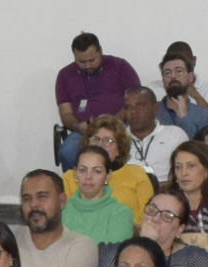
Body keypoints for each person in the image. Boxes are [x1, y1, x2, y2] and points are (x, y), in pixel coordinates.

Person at [56, 31, 144, 166]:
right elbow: (66, 113)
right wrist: (77, 126)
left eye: (92, 60)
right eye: (82, 62)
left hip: (120, 127)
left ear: (100, 52)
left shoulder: (120, 66)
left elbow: (134, 102)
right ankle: (75, 187)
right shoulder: (65, 75)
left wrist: (110, 123)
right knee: (67, 152)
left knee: (134, 152)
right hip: (84, 132)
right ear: (74, 56)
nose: (88, 65)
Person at [15, 167, 103, 267]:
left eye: (42, 197)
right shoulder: (9, 239)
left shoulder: (83, 245)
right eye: (27, 199)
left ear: (62, 201)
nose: (33, 204)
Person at [62, 144, 137, 246]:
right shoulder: (61, 210)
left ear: (107, 176)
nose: (88, 177)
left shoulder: (121, 213)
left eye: (97, 171)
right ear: (75, 174)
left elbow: (111, 258)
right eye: (82, 170)